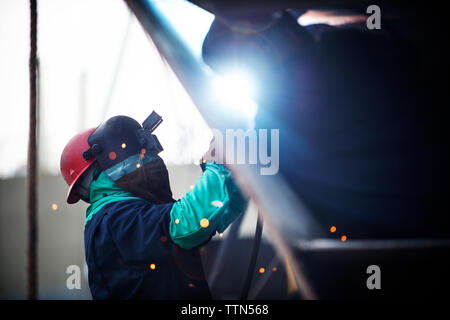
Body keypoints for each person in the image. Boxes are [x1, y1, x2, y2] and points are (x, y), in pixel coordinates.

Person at [60, 112, 248, 299]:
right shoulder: (113, 220)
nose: (147, 160)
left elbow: (207, 221)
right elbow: (187, 224)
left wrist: (238, 179)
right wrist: (216, 166)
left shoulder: (134, 211)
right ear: (101, 167)